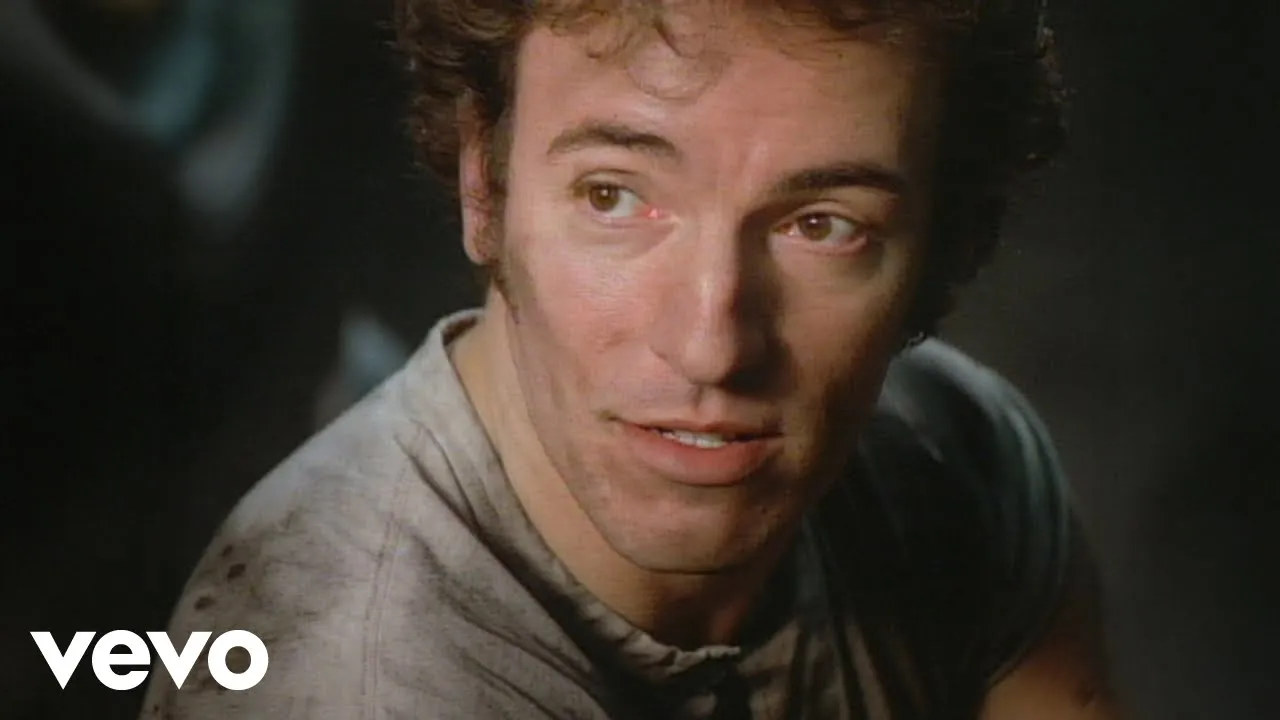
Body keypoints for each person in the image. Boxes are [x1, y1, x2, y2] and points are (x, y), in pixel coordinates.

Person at [141, 0, 1120, 717]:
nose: (710, 345)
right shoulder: (343, 680)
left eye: (822, 225)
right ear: (486, 188)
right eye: (614, 197)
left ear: (943, 242)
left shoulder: (956, 459)